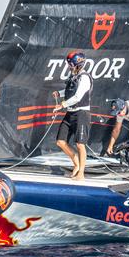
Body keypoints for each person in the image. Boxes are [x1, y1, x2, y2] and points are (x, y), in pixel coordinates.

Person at [53, 51, 92, 181]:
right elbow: (70, 90)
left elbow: (77, 96)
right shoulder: (74, 76)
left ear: (78, 64)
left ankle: (81, 172)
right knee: (60, 141)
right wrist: (59, 93)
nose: (69, 66)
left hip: (81, 113)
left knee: (80, 144)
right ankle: (76, 162)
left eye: (71, 64)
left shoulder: (84, 77)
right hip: (71, 112)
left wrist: (62, 104)